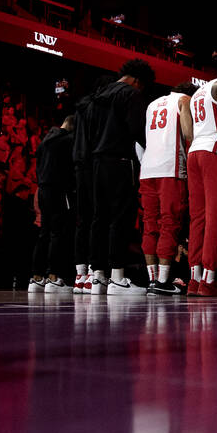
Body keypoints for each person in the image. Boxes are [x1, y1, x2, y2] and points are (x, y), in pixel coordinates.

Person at [89, 59, 155, 295]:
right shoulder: (131, 94)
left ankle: (97, 277)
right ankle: (118, 276)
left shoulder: (97, 95)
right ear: (138, 81)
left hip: (96, 162)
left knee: (99, 218)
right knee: (120, 218)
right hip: (120, 161)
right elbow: (137, 130)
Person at [140, 84, 195, 295]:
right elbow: (189, 133)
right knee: (169, 221)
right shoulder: (185, 101)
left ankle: (152, 279)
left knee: (149, 223)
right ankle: (163, 281)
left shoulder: (152, 104)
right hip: (169, 168)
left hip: (147, 168)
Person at [187, 75, 217, 297]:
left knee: (198, 217)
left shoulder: (198, 92)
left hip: (194, 151)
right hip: (215, 149)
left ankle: (194, 279)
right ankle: (209, 279)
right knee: (216, 215)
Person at [70, 75, 114, 293]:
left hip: (79, 166)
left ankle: (81, 275)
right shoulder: (99, 106)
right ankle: (96, 274)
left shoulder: (80, 108)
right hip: (94, 164)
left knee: (83, 221)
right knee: (99, 218)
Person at [29, 115, 75, 294]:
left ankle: (36, 277)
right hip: (58, 190)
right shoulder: (68, 140)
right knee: (57, 233)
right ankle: (54, 277)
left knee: (44, 233)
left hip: (42, 189)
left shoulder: (44, 140)